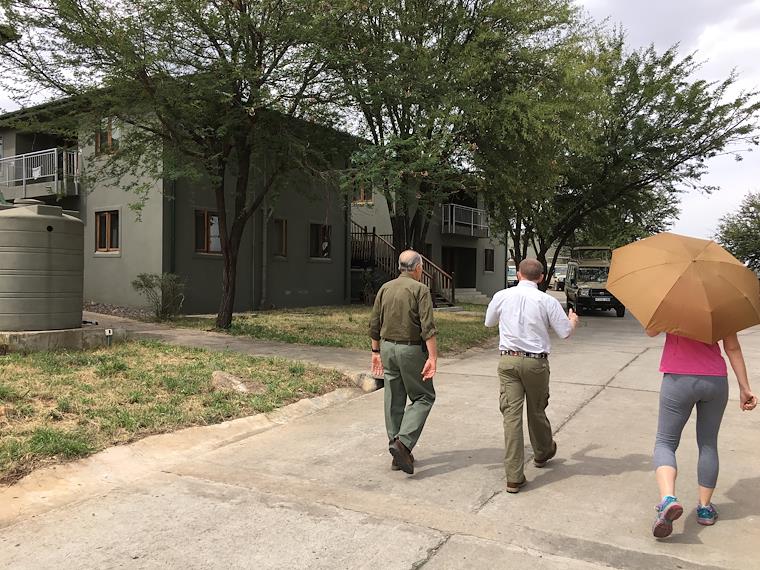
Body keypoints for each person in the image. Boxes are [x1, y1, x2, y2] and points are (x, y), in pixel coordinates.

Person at [647, 330, 757, 539]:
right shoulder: (722, 310)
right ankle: (705, 508)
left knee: (665, 443)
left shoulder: (671, 309)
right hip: (715, 381)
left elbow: (651, 331)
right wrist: (745, 388)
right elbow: (732, 347)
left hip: (678, 378)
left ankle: (668, 499)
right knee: (708, 443)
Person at [485, 258, 578, 493]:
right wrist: (572, 321)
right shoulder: (547, 300)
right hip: (536, 362)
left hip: (508, 360)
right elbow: (565, 333)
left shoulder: (502, 296)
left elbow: (489, 322)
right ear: (541, 277)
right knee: (536, 410)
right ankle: (542, 451)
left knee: (511, 416)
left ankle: (514, 476)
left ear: (518, 275)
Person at [369, 249, 438, 475]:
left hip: (387, 348)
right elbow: (427, 326)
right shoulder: (420, 289)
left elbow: (374, 322)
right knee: (424, 396)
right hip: (410, 349)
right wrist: (432, 357)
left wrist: (375, 351)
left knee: (394, 397)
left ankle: (396, 452)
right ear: (417, 268)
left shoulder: (385, 288)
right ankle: (403, 444)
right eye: (422, 268)